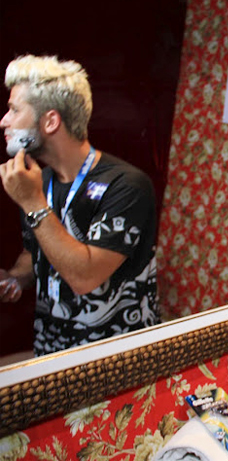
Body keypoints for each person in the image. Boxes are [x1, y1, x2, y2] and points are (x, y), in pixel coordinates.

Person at [0, 55, 159, 356]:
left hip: (116, 357)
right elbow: (34, 249)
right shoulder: (39, 180)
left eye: (14, 109)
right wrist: (16, 277)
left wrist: (32, 202)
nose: (4, 121)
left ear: (50, 121)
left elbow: (85, 277)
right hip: (50, 348)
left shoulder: (127, 185)